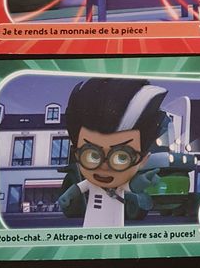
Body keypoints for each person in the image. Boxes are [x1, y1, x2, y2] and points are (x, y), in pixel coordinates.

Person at [57, 78, 166, 228]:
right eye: (92, 155)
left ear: (142, 160)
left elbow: (132, 187)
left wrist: (143, 181)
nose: (104, 166)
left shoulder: (120, 186)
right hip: (91, 227)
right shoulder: (91, 183)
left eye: (121, 157)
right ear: (77, 155)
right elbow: (78, 188)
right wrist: (67, 197)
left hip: (114, 229)